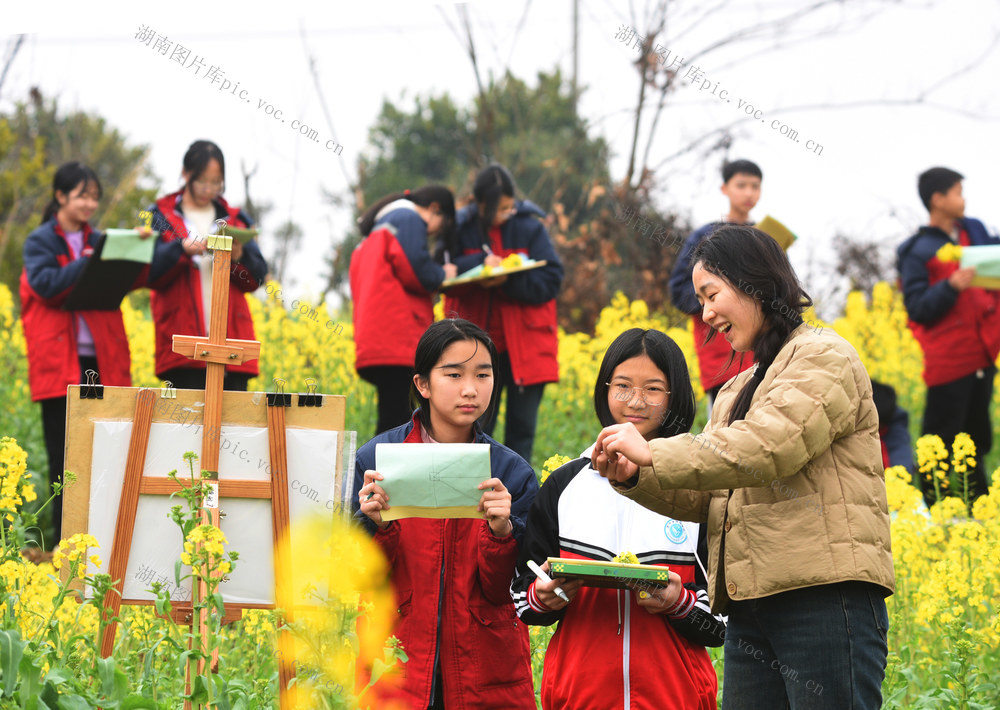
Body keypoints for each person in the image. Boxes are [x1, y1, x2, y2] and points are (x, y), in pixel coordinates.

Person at [593, 225, 894, 710]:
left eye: (712, 295)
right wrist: (635, 474)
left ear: (753, 282)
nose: (706, 313)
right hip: (751, 604)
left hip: (821, 597)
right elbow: (710, 494)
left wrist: (656, 452)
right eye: (699, 299)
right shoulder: (736, 388)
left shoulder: (824, 354)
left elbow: (770, 448)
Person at [510, 328, 723, 710]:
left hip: (676, 698)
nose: (636, 401)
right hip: (581, 698)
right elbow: (523, 598)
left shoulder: (696, 489)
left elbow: (722, 623)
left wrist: (679, 603)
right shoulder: (565, 485)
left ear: (676, 397)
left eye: (654, 389)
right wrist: (545, 597)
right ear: (604, 389)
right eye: (622, 385)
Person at [353, 318, 538, 709]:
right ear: (423, 384)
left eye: (483, 375)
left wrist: (502, 532)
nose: (470, 389)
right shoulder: (377, 460)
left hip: (483, 667)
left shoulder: (511, 473)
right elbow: (360, 578)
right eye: (453, 374)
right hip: (397, 660)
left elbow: (508, 590)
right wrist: (375, 526)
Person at [20, 162, 150, 544]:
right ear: (60, 196)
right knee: (65, 461)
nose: (90, 203)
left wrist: (138, 251)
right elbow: (45, 285)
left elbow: (130, 280)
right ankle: (65, 547)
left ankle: (107, 544)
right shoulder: (40, 241)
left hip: (101, 361)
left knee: (108, 456)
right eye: (82, 195)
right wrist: (89, 262)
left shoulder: (103, 239)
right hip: (60, 366)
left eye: (94, 196)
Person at [442, 164, 564, 465]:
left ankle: (516, 505)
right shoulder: (460, 228)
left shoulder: (531, 227)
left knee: (521, 433)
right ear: (481, 205)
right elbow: (443, 270)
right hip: (475, 348)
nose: (507, 213)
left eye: (510, 207)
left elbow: (551, 280)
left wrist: (508, 280)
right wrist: (480, 267)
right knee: (474, 430)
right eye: (500, 208)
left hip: (526, 347)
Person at [896, 167, 1000, 507]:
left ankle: (978, 508)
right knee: (938, 442)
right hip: (949, 361)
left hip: (983, 354)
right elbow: (918, 308)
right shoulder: (918, 250)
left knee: (977, 441)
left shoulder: (975, 231)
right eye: (957, 192)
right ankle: (931, 509)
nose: (963, 199)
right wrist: (950, 286)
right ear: (938, 200)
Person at [148, 140, 267, 391]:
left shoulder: (236, 218)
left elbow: (256, 278)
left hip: (232, 347)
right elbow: (149, 273)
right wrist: (180, 250)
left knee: (234, 428)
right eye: (203, 181)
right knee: (186, 428)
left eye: (216, 183)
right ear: (185, 174)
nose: (209, 189)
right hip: (183, 350)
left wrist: (239, 256)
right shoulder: (160, 216)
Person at [349, 186, 457, 434]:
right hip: (398, 338)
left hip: (378, 339)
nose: (432, 235)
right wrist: (443, 274)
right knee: (399, 423)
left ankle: (375, 470)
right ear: (434, 210)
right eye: (439, 227)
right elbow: (415, 268)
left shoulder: (379, 229)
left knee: (391, 418)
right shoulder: (407, 218)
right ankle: (379, 472)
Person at [668, 159, 760, 405]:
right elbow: (679, 290)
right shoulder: (705, 236)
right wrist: (719, 294)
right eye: (741, 185)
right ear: (725, 189)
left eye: (755, 186)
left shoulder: (764, 236)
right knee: (721, 434)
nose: (749, 193)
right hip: (721, 359)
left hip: (764, 355)